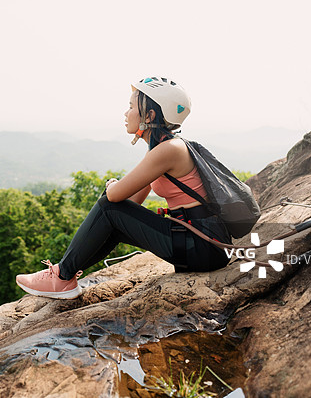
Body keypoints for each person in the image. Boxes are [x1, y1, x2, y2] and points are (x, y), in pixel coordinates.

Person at [15, 76, 232, 299]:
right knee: (113, 215)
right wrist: (114, 193)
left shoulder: (169, 150)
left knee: (107, 207)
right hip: (198, 245)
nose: (126, 113)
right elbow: (132, 202)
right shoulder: (163, 148)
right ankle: (65, 274)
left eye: (131, 107)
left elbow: (115, 198)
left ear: (150, 115)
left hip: (202, 248)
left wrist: (113, 187)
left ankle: (61, 277)